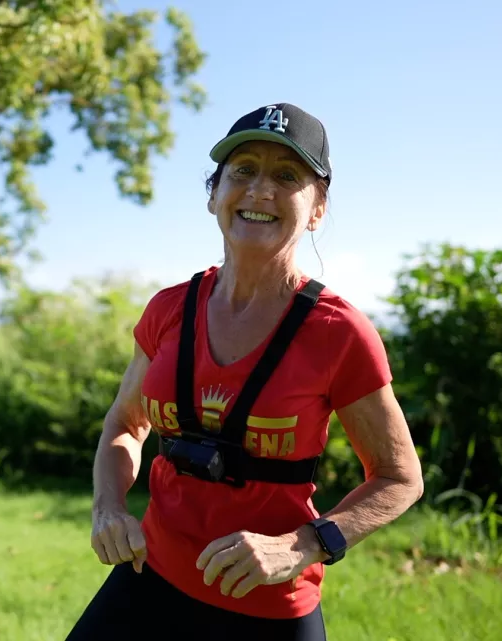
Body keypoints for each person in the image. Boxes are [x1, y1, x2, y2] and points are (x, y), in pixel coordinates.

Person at [65, 103, 425, 640]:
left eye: (287, 176)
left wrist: (302, 545)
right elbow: (125, 423)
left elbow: (400, 478)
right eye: (243, 170)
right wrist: (108, 507)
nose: (260, 189)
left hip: (269, 609)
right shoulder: (169, 310)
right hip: (150, 577)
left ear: (318, 208)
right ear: (214, 195)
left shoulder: (338, 332)